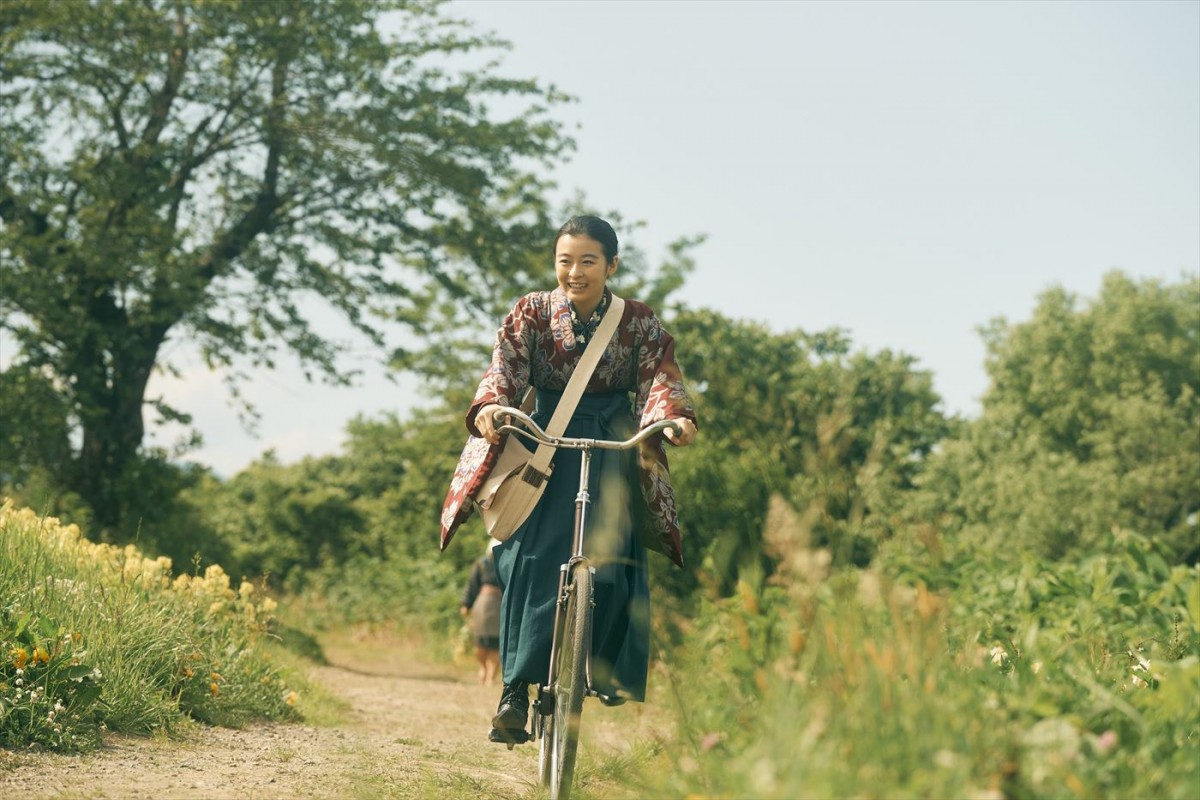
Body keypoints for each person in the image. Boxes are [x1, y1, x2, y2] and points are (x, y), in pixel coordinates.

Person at [439, 214, 698, 743]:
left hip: (613, 439)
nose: (574, 271)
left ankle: (599, 669)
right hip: (543, 438)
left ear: (611, 265)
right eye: (565, 260)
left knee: (616, 551)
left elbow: (659, 377)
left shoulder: (638, 322)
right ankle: (515, 689)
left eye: (587, 261)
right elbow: (504, 368)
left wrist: (674, 417)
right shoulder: (531, 312)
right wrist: (492, 406)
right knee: (532, 559)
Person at [460, 540, 502, 686]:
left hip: (500, 604)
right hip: (482, 605)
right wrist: (466, 603)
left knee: (496, 643)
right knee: (480, 642)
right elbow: (472, 584)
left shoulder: (508, 564)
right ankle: (483, 668)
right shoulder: (481, 564)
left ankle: (491, 676)